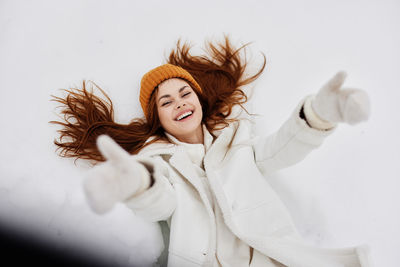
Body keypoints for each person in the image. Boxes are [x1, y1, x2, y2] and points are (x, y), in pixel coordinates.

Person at [51, 37, 372, 267]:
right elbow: (161, 201)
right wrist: (136, 184)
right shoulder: (159, 161)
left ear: (199, 100)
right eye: (166, 102)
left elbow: (281, 150)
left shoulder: (238, 142)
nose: (179, 104)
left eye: (184, 93)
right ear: (157, 119)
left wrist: (319, 113)